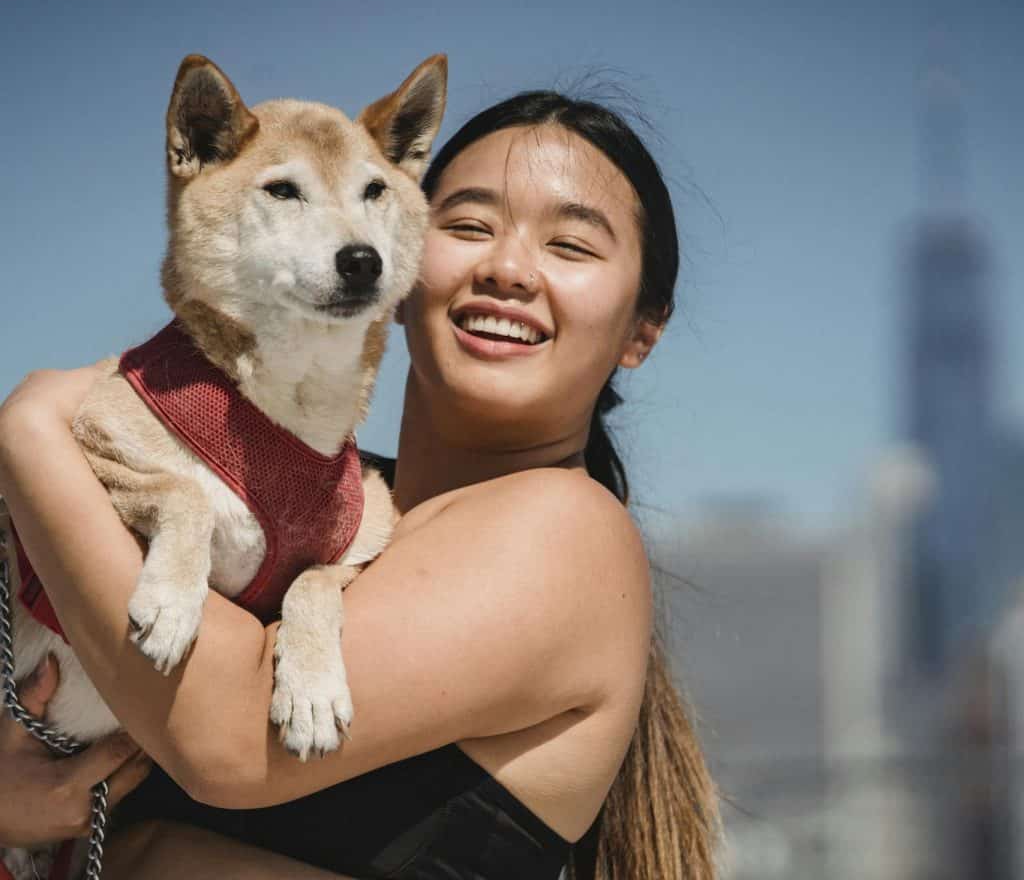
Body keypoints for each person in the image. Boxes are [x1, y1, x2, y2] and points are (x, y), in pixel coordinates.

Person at [0, 91, 722, 879]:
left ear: (643, 328)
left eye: (572, 247)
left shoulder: (565, 529)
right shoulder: (317, 506)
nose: (508, 269)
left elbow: (230, 738)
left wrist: (31, 434)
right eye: (469, 225)